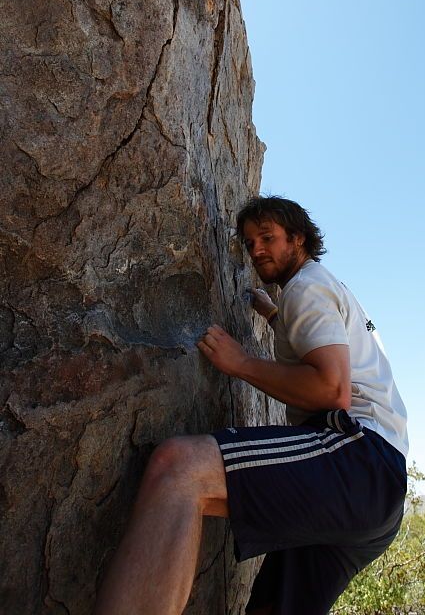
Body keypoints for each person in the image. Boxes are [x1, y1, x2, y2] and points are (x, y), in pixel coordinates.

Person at [94, 195, 408, 615]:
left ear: (298, 239)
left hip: (356, 459)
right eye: (249, 242)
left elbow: (332, 390)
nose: (257, 249)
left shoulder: (308, 286)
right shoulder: (322, 288)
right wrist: (275, 316)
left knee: (179, 468)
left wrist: (241, 363)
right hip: (377, 495)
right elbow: (319, 345)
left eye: (268, 237)